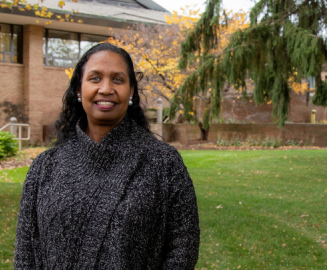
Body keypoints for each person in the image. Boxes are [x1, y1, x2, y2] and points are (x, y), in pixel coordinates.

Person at [14, 43, 200, 269]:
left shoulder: (164, 163)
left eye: (118, 80)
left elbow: (183, 250)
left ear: (131, 91)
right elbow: (26, 254)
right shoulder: (45, 167)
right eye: (95, 78)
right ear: (79, 90)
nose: (106, 88)